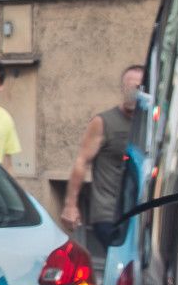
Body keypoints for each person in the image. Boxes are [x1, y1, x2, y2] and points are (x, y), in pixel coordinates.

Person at [61, 65, 145, 265]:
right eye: (129, 87)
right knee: (122, 263)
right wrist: (70, 205)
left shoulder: (150, 124)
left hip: (139, 211)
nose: (133, 92)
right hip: (109, 213)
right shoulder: (103, 122)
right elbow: (82, 161)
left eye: (138, 87)